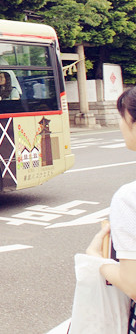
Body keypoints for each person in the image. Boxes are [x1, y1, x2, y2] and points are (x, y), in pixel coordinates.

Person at [84, 87, 136, 328]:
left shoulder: (129, 197)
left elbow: (133, 284)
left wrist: (98, 261)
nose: (119, 124)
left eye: (122, 116)